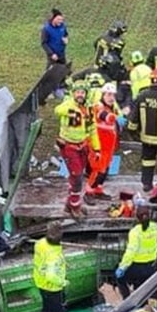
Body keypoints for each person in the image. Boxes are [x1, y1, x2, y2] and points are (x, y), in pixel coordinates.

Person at [54, 79, 100, 218]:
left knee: (78, 176)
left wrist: (97, 148)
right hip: (69, 146)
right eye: (77, 92)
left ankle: (70, 204)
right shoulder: (68, 105)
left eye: (82, 92)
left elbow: (92, 130)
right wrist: (70, 107)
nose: (80, 95)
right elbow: (57, 110)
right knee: (77, 177)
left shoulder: (89, 109)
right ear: (73, 93)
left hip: (83, 145)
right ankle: (75, 206)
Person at [114, 201, 157, 297]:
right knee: (142, 283)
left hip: (137, 266)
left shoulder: (135, 232)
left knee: (119, 278)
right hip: (151, 266)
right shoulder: (155, 227)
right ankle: (141, 298)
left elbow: (131, 252)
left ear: (137, 218)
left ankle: (126, 298)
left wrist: (122, 267)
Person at [33, 221, 67, 312]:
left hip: (40, 282)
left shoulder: (40, 243)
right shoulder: (54, 254)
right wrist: (62, 282)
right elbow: (51, 275)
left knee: (46, 309)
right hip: (52, 287)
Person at [86, 82, 121, 200]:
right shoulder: (98, 106)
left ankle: (98, 189)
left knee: (105, 169)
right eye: (109, 95)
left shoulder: (112, 107)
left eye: (113, 95)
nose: (111, 98)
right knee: (98, 169)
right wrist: (114, 117)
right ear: (103, 95)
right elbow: (103, 115)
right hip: (99, 145)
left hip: (108, 146)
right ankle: (89, 192)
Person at [41, 9, 70, 99]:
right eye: (59, 20)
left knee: (63, 71)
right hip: (52, 56)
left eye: (62, 20)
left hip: (61, 54)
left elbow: (65, 34)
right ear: (53, 19)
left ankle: (60, 88)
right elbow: (44, 43)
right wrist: (51, 54)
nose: (60, 22)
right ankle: (47, 91)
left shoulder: (62, 26)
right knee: (50, 73)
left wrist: (66, 40)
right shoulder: (46, 29)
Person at [125, 49, 152, 114]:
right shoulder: (148, 68)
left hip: (140, 95)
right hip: (151, 93)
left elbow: (135, 86)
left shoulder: (134, 71)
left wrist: (134, 99)